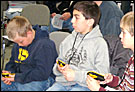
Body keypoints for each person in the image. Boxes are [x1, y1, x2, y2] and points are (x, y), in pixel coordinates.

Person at [46, 1, 110, 91]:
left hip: (84, 86)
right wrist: (59, 68)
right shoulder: (69, 39)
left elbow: (102, 75)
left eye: (77, 18)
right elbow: (58, 63)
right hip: (63, 83)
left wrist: (76, 75)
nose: (72, 21)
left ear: (90, 22)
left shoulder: (99, 44)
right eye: (73, 17)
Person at [1, 16, 58, 91]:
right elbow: (12, 62)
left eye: (21, 41)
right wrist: (9, 73)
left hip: (41, 79)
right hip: (21, 77)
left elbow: (42, 73)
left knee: (28, 88)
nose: (19, 45)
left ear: (29, 33)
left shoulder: (45, 45)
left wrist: (17, 77)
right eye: (16, 42)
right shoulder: (19, 43)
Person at [86, 11, 134, 91]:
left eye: (124, 32)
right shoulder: (132, 57)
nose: (120, 36)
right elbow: (125, 86)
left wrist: (98, 89)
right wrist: (112, 80)